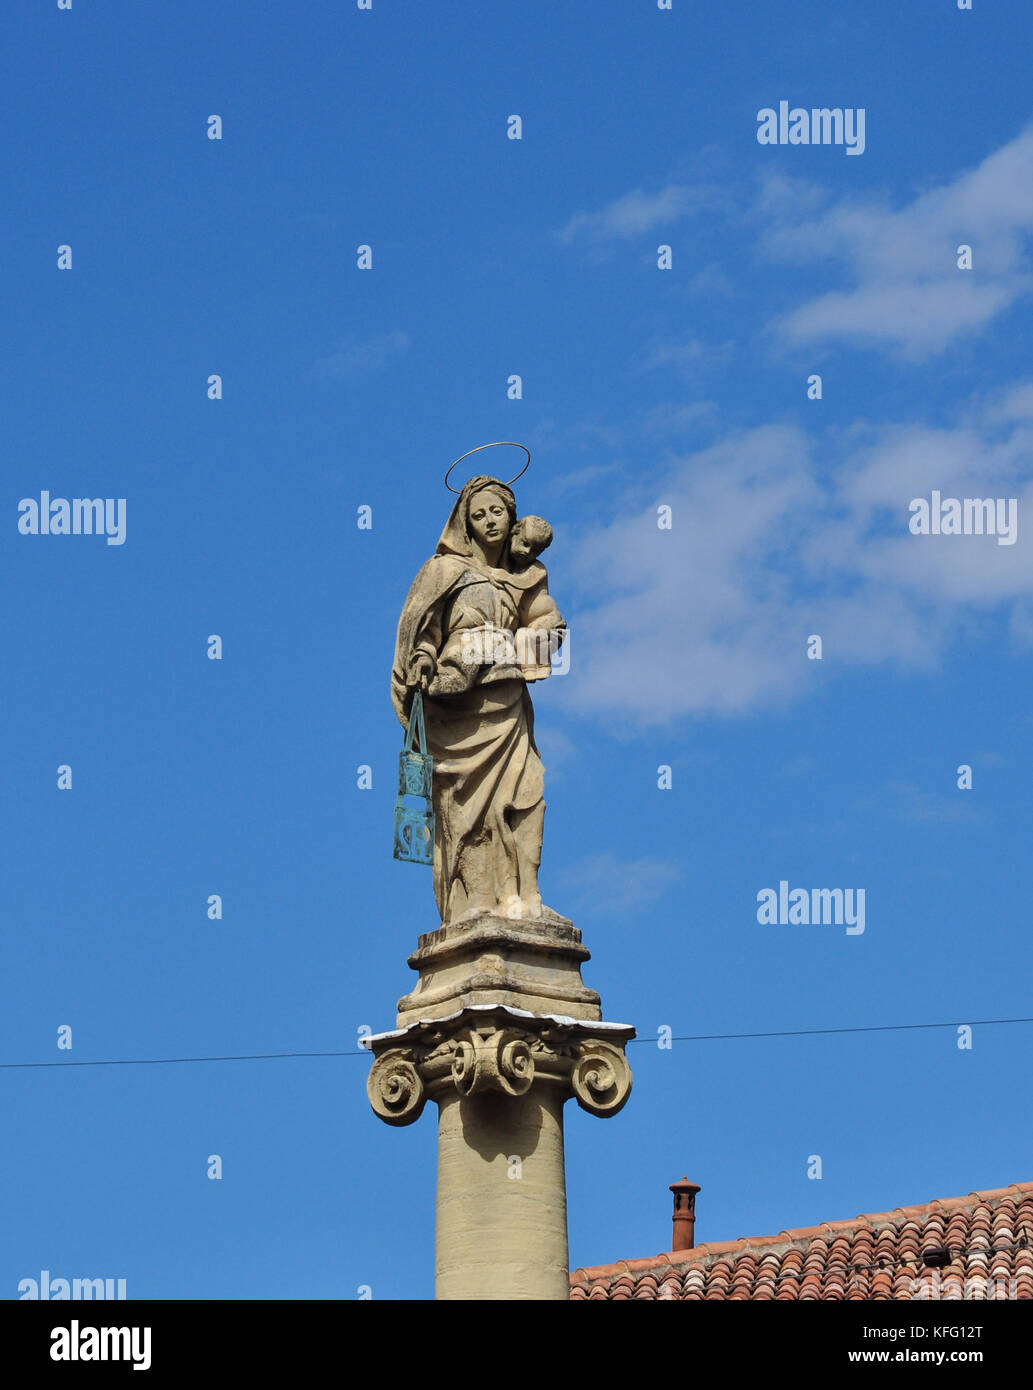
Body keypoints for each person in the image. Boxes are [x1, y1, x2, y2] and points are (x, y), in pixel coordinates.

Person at [391, 476, 565, 924]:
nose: (489, 521)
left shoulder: (525, 577)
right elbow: (422, 634)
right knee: (466, 809)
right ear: (465, 526)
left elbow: (549, 625)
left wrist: (535, 637)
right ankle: (477, 900)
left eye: (497, 512)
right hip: (458, 707)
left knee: (527, 795)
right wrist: (425, 660)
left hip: (507, 701)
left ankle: (527, 896)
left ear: (512, 519)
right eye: (479, 514)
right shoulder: (443, 572)